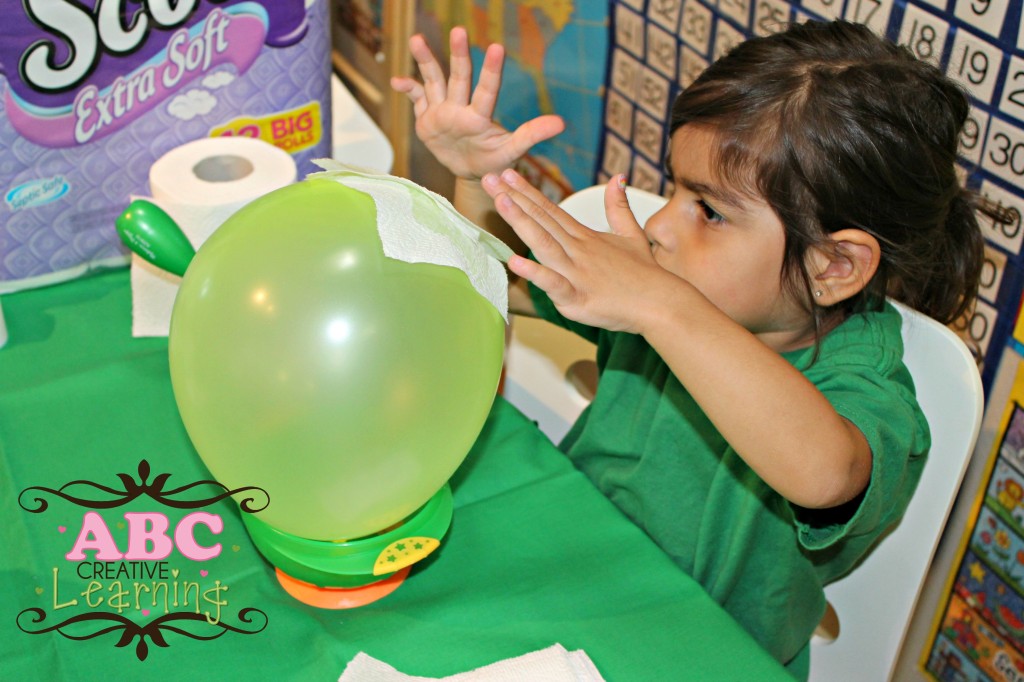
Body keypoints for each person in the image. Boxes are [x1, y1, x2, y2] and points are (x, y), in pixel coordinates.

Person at [392, 21, 1008, 678]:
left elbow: (825, 473)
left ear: (832, 266)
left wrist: (662, 307)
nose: (660, 224)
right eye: (674, 188)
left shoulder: (864, 386)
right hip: (564, 600)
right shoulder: (680, 292)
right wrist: (480, 178)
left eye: (708, 212)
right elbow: (491, 282)